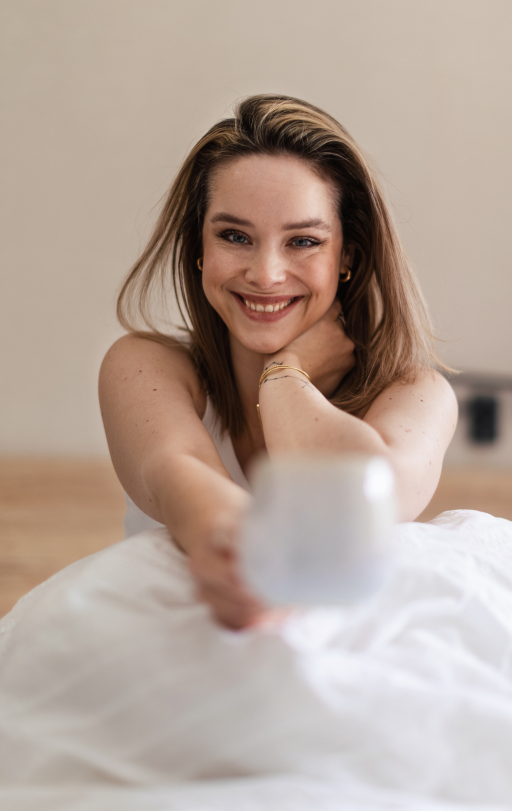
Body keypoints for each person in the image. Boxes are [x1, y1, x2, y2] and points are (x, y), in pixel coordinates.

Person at [99, 94, 458, 631]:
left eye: (304, 242)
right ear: (199, 247)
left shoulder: (416, 393)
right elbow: (178, 470)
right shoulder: (144, 366)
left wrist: (283, 374)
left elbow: (362, 498)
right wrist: (235, 550)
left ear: (348, 259)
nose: (266, 274)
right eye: (235, 236)